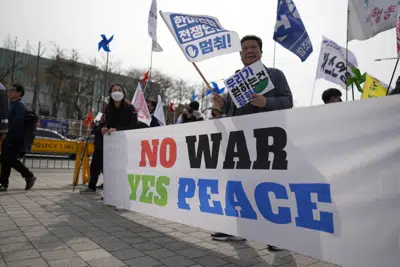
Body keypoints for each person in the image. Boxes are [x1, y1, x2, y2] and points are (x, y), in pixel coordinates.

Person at [212, 35, 293, 251]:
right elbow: (230, 113)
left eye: (254, 47)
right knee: (239, 188)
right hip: (240, 142)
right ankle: (240, 230)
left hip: (268, 141)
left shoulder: (275, 75)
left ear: (261, 52)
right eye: (245, 48)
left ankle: (277, 237)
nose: (250, 51)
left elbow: (288, 101)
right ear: (240, 55)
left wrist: (267, 102)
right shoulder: (234, 81)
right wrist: (222, 103)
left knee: (269, 189)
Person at [0, 84, 36, 192]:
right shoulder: (11, 104)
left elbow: (17, 122)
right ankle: (3, 183)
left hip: (14, 137)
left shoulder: (20, 105)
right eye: (9, 90)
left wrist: (6, 131)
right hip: (8, 136)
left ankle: (29, 176)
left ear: (20, 93)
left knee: (10, 159)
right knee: (5, 160)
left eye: (12, 90)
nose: (9, 92)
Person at [80, 114, 106, 194]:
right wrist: (94, 126)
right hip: (98, 149)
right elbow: (98, 130)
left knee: (104, 170)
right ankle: (91, 187)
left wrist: (92, 131)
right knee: (94, 169)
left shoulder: (108, 122)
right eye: (102, 116)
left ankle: (107, 186)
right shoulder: (101, 124)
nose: (101, 117)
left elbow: (101, 131)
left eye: (104, 116)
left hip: (103, 150)